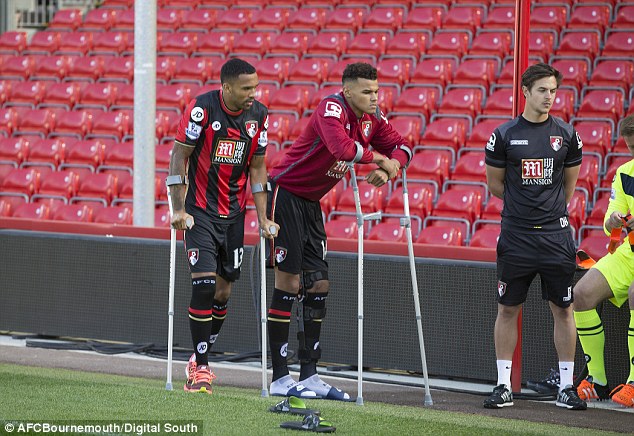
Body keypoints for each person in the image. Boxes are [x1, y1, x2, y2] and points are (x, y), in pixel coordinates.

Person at [265, 62, 412, 400]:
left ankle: (310, 373)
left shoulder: (373, 119)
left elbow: (404, 148)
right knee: (288, 281)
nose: (374, 98)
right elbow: (342, 149)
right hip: (285, 193)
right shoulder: (331, 108)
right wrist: (379, 159)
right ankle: (279, 376)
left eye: (376, 91)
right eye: (366, 92)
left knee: (318, 282)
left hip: (311, 202)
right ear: (348, 91)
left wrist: (392, 169)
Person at [168, 58, 279, 394]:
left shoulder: (258, 115)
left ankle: (198, 355)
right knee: (203, 284)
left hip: (233, 214)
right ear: (226, 87)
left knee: (222, 292)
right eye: (247, 88)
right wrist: (177, 209)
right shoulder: (202, 109)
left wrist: (263, 217)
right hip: (198, 211)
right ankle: (200, 369)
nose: (253, 94)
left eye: (255, 87)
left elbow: (258, 168)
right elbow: (179, 155)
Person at [483, 63, 586, 410]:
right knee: (508, 308)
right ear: (525, 91)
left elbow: (568, 187)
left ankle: (566, 387)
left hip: (556, 237)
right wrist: (524, 207)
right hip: (516, 236)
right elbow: (496, 185)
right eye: (542, 90)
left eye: (553, 90)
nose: (549, 97)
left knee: (564, 309)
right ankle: (502, 385)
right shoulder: (504, 134)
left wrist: (547, 209)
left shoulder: (567, 135)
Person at [573, 114, 634, 407]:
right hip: (629, 252)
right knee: (581, 294)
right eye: (630, 147)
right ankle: (597, 379)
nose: (633, 152)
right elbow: (610, 226)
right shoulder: (624, 172)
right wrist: (613, 221)